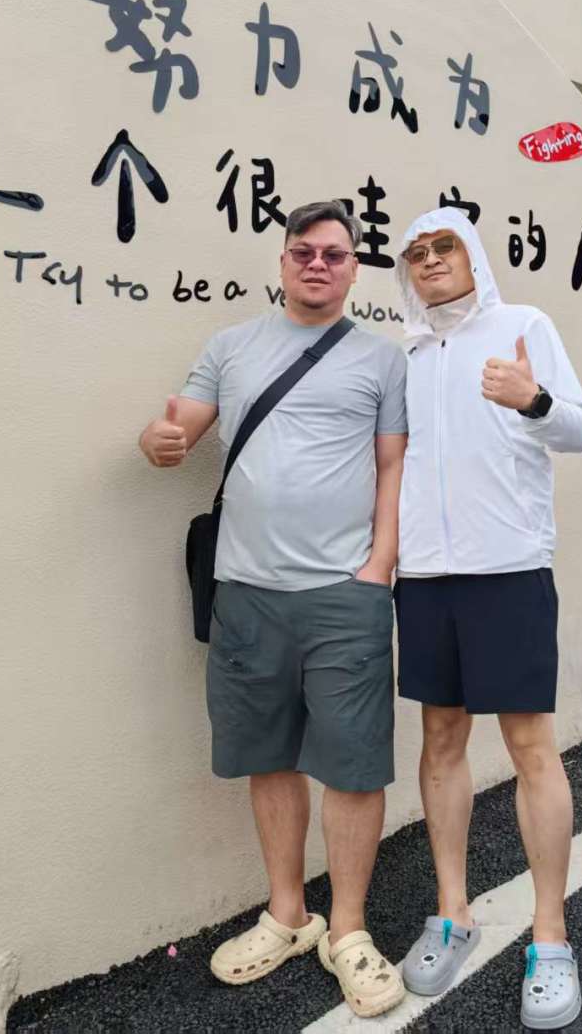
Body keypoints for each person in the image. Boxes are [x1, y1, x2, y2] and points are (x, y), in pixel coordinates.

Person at [138, 201, 408, 1020]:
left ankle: (348, 929)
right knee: (270, 755)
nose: (317, 264)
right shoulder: (231, 347)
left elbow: (393, 466)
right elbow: (176, 428)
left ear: (353, 268)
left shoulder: (381, 359)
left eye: (333, 253)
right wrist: (157, 442)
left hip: (344, 595)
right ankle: (288, 914)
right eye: (303, 251)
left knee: (354, 764)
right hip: (247, 592)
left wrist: (379, 567)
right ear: (283, 261)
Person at [392, 207, 582, 1030]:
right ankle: (452, 912)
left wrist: (533, 398)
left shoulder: (523, 326)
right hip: (424, 575)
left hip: (508, 568)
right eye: (416, 253)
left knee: (529, 746)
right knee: (440, 737)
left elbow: (578, 429)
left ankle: (550, 934)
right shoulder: (407, 356)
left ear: (473, 255)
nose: (430, 260)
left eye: (444, 246)